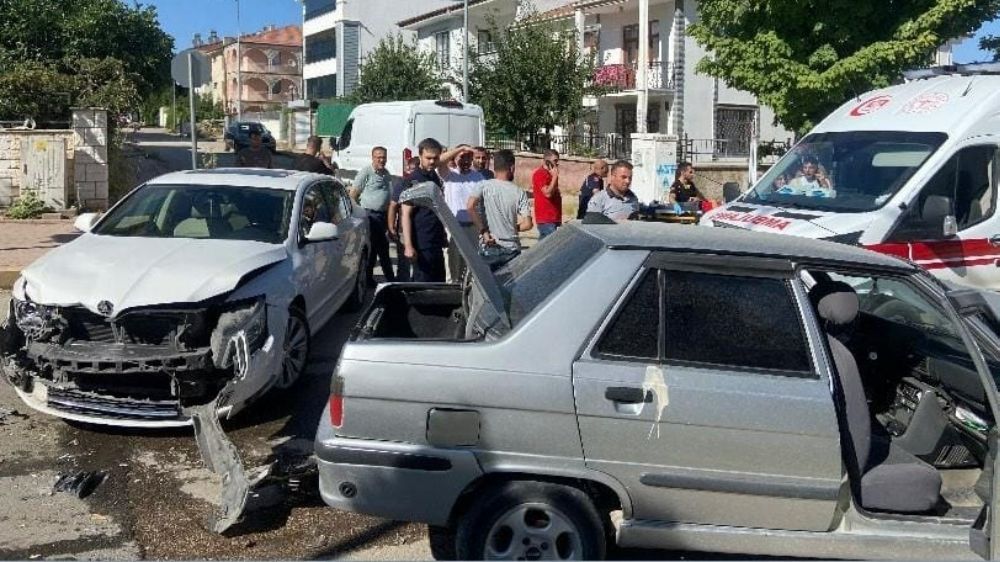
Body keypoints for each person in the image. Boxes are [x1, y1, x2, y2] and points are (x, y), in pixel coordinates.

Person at [466, 149, 533, 269]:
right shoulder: (519, 192)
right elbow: (528, 224)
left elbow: (470, 207)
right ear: (512, 168)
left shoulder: (483, 185)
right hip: (512, 249)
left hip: (489, 246)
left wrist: (483, 231)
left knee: (487, 281)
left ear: (494, 167)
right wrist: (511, 227)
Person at [396, 138, 448, 283]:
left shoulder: (434, 177)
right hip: (421, 243)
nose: (432, 161)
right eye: (428, 158)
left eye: (435, 158)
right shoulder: (413, 180)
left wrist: (443, 234)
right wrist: (408, 246)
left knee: (438, 283)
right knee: (423, 285)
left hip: (435, 241)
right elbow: (405, 214)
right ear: (420, 156)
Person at [439, 144, 484, 282]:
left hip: (472, 227)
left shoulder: (478, 177)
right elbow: (439, 161)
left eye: (468, 157)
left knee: (470, 265)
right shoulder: (449, 175)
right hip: (454, 227)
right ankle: (451, 289)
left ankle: (467, 289)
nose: (465, 161)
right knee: (452, 264)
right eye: (462, 157)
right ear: (455, 158)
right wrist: (461, 148)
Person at [351, 146, 396, 286]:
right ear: (373, 158)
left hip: (382, 216)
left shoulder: (386, 174)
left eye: (384, 157)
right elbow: (353, 194)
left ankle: (368, 278)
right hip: (370, 216)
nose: (381, 160)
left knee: (374, 248)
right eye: (378, 157)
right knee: (382, 247)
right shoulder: (366, 172)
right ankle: (391, 279)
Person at [388, 157, 420, 282]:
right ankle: (403, 283)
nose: (412, 172)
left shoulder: (425, 182)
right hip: (403, 228)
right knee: (404, 261)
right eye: (410, 169)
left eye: (415, 170)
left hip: (420, 228)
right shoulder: (403, 183)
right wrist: (391, 226)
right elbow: (393, 206)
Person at [532, 149, 562, 239]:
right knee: (550, 244)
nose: (557, 164)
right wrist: (555, 176)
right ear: (547, 161)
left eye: (557, 161)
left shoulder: (551, 174)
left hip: (554, 217)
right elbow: (547, 193)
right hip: (546, 218)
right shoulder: (540, 174)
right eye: (555, 161)